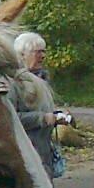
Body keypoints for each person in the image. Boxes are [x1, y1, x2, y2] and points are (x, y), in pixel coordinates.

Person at [8, 33, 73, 178]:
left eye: (44, 51)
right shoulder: (12, 82)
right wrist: (42, 118)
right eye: (38, 52)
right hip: (23, 158)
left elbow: (45, 111)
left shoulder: (42, 79)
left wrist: (57, 116)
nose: (43, 56)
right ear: (22, 55)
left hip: (44, 156)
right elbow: (8, 118)